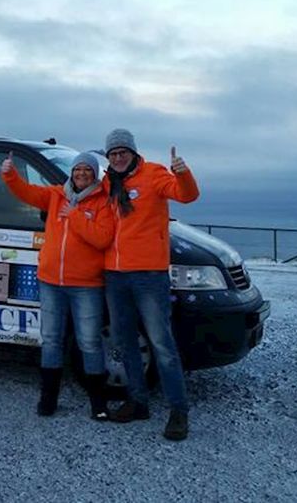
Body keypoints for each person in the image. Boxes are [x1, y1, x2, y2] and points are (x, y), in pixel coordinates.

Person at [100, 128, 199, 441]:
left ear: (132, 152)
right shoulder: (107, 183)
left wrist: (183, 174)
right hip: (115, 275)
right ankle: (138, 402)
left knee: (161, 344)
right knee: (124, 341)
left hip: (149, 275)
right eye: (113, 153)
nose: (118, 158)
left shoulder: (154, 174)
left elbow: (186, 195)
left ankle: (178, 411)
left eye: (122, 152)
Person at [1, 150, 114, 418]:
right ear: (72, 173)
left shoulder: (103, 202)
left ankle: (98, 403)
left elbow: (102, 239)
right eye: (78, 170)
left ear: (95, 174)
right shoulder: (55, 194)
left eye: (87, 170)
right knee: (51, 340)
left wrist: (75, 216)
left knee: (89, 342)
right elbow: (25, 192)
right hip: (51, 281)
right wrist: (9, 174)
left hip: (86, 284)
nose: (82, 174)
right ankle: (48, 399)